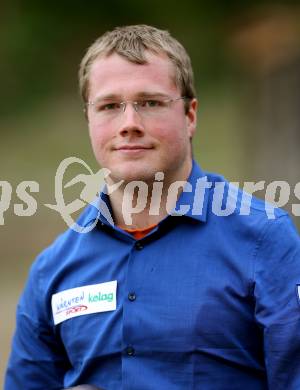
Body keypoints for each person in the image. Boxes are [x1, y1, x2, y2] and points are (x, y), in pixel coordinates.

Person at [5, 24, 300, 390]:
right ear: (89, 120)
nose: (129, 124)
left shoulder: (265, 240)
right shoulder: (54, 269)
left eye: (150, 103)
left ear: (190, 116)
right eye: (110, 106)